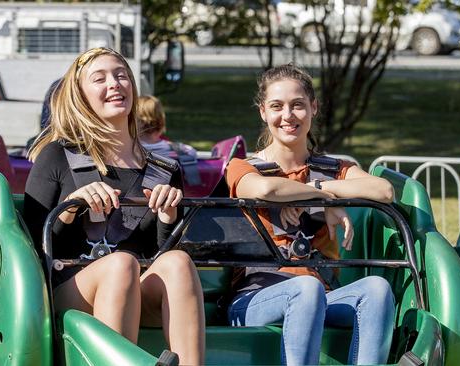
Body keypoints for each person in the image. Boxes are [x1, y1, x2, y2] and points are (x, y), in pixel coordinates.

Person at [24, 47, 204, 364]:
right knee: (121, 264)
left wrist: (167, 217)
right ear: (80, 94)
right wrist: (69, 207)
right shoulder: (57, 156)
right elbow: (32, 245)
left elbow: (159, 253)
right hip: (70, 287)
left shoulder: (164, 170)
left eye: (121, 75)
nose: (115, 84)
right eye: (100, 78)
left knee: (177, 262)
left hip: (136, 286)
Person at [225, 64, 396, 365]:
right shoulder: (243, 166)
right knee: (306, 289)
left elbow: (383, 191)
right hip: (255, 297)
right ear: (263, 112)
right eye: (277, 106)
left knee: (376, 289)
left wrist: (320, 186)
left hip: (321, 294)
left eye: (298, 105)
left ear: (313, 108)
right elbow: (265, 189)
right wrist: (323, 198)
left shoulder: (332, 169)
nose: (288, 116)